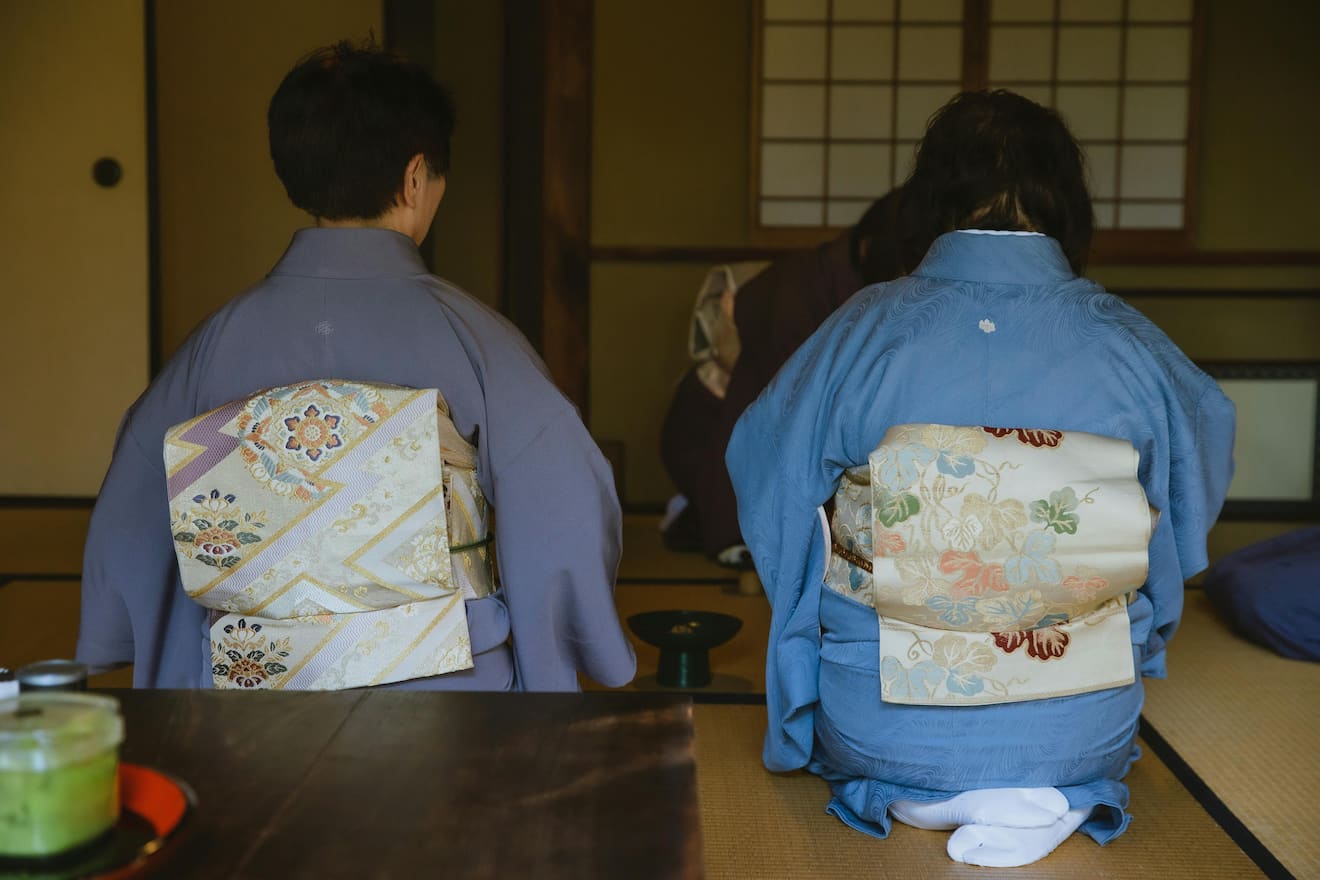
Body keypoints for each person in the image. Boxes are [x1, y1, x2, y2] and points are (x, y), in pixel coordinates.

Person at [726, 90, 1234, 866]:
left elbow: (764, 469)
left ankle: (923, 792)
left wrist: (812, 613)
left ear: (926, 203)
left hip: (885, 717)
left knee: (870, 728)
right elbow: (1190, 490)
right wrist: (1143, 617)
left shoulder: (866, 328)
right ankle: (1047, 791)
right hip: (1080, 723)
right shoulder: (1129, 344)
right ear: (1068, 206)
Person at [76, 40, 636, 692]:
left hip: (251, 693)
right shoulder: (479, 341)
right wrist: (564, 653)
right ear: (415, 177)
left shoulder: (212, 346)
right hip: (454, 692)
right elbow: (564, 508)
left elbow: (135, 509)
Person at [660, 189, 905, 561]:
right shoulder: (800, 286)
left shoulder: (851, 282)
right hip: (713, 431)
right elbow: (792, 411)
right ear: (870, 247)